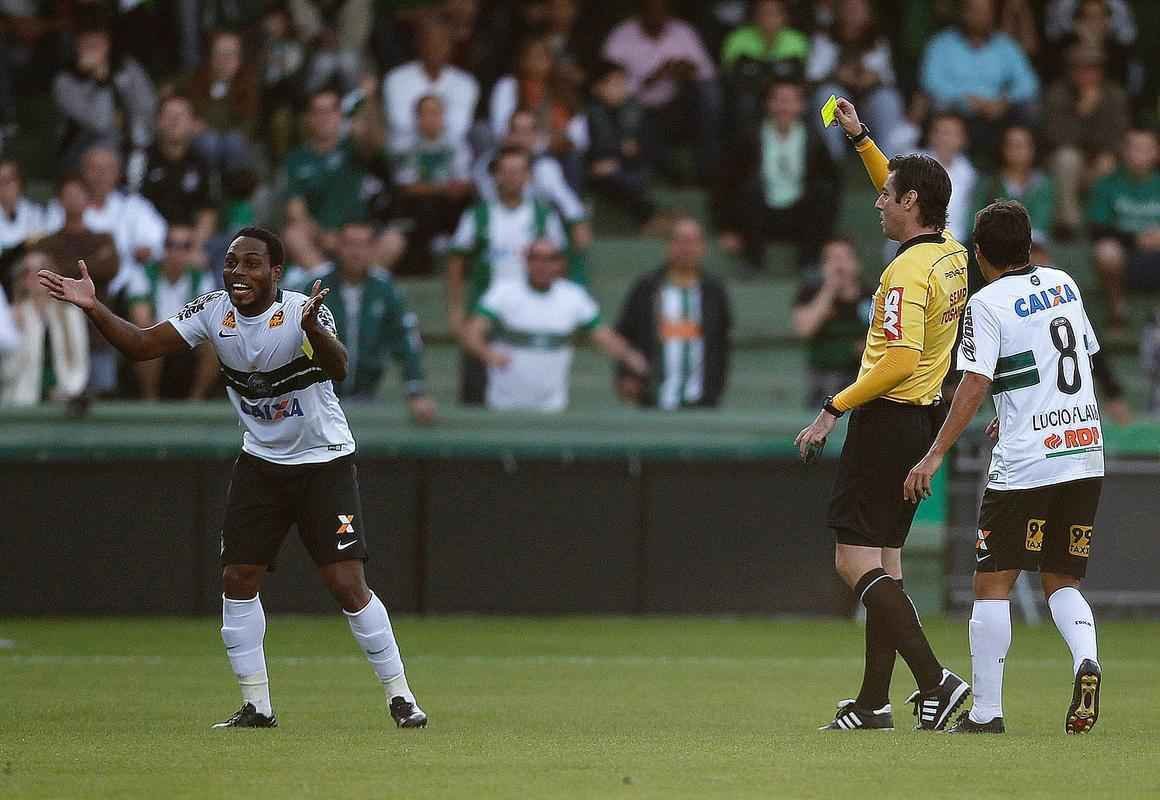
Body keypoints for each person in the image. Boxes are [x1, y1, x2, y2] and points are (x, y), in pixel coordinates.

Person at [37, 226, 428, 730]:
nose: (239, 273)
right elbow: (139, 345)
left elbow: (340, 366)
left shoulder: (304, 311)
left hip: (322, 462)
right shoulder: (211, 309)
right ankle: (257, 706)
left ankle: (400, 696)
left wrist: (312, 332)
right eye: (232, 263)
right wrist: (93, 306)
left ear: (275, 272)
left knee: (346, 583)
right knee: (238, 580)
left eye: (251, 264)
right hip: (261, 464)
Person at [796, 97, 970, 732]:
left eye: (887, 195)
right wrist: (862, 139)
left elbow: (893, 364)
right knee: (888, 567)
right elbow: (902, 188)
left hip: (887, 419)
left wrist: (832, 409)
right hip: (919, 420)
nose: (878, 201)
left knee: (853, 563)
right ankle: (873, 703)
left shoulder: (902, 276)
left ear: (912, 205)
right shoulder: (949, 251)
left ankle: (936, 680)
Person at [904, 200, 1104, 735]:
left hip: (1027, 463)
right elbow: (1077, 359)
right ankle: (1087, 659)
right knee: (1062, 578)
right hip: (1084, 450)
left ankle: (987, 712)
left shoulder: (987, 303)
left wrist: (936, 452)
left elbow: (974, 384)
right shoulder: (1065, 282)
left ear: (979, 254)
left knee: (992, 583)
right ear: (1028, 243)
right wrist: (1016, 412)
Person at [461, 238, 648, 412]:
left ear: (561, 264)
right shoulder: (503, 292)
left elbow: (603, 336)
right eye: (536, 258)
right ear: (526, 261)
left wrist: (630, 357)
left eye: (550, 259)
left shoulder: (574, 297)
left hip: (551, 406)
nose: (542, 265)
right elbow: (472, 333)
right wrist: (487, 354)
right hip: (504, 405)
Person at [447, 145, 568, 404]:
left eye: (518, 171)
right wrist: (457, 309)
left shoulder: (544, 215)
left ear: (528, 176)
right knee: (475, 390)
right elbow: (456, 259)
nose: (512, 177)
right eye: (506, 171)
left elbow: (559, 259)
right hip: (484, 312)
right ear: (496, 176)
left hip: (529, 313)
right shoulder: (478, 214)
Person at [316, 221, 436, 424]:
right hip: (317, 399)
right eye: (350, 244)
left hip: (368, 397)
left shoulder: (385, 289)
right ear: (338, 247)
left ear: (373, 249)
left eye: (363, 245)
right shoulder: (315, 286)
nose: (356, 252)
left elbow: (405, 340)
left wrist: (416, 392)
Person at [716, 79, 840, 273]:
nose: (784, 107)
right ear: (768, 104)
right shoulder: (750, 136)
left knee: (823, 192)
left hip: (799, 214)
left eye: (790, 101)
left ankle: (808, 262)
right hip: (761, 214)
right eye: (778, 100)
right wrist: (727, 229)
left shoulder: (814, 139)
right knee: (749, 191)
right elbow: (727, 182)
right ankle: (753, 261)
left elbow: (832, 181)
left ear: (801, 105)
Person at [615, 217, 732, 409]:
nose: (686, 248)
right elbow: (626, 333)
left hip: (702, 402)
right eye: (680, 241)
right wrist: (627, 375)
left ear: (703, 247)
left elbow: (721, 341)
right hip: (653, 400)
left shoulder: (714, 291)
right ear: (668, 246)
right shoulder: (647, 288)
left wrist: (715, 387)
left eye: (692, 241)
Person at [602, 0, 722, 183]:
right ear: (640, 11)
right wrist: (652, 78)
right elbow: (604, 80)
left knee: (708, 94)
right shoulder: (622, 34)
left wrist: (688, 71)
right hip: (636, 105)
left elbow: (708, 73)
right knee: (631, 114)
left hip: (675, 103)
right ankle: (640, 172)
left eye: (662, 10)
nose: (657, 16)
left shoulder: (683, 31)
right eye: (651, 10)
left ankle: (706, 170)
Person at [282, 87, 395, 273]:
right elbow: (295, 210)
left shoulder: (355, 148)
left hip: (359, 233)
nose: (324, 117)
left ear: (339, 115)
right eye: (318, 112)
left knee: (394, 240)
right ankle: (326, 280)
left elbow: (374, 139)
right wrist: (322, 235)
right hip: (319, 237)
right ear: (309, 118)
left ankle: (368, 281)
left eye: (329, 111)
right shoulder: (297, 158)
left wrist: (368, 100)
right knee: (293, 234)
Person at [919, 0, 1039, 162]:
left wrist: (1004, 101)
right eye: (974, 10)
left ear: (992, 15)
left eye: (984, 11)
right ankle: (945, 169)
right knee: (936, 104)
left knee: (1029, 108)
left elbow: (1028, 83)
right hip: (957, 109)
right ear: (963, 13)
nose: (979, 16)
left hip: (997, 112)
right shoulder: (943, 43)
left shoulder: (1005, 45)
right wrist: (964, 99)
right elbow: (931, 81)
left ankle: (1014, 173)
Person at [808, 0, 915, 161]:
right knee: (827, 96)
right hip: (839, 102)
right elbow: (812, 76)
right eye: (849, 8)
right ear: (839, 10)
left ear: (868, 12)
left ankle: (889, 166)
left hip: (867, 104)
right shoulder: (825, 36)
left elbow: (888, 79)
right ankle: (833, 162)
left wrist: (873, 78)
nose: (853, 13)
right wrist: (837, 75)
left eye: (859, 8)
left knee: (888, 100)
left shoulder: (878, 39)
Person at [1043, 44, 1129, 238]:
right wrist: (1082, 112)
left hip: (1099, 159)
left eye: (1092, 68)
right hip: (1066, 159)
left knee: (1107, 163)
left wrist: (1097, 154)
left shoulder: (1114, 94)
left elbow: (1117, 138)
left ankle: (1099, 224)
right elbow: (1056, 137)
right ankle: (1070, 226)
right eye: (1080, 68)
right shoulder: (1058, 93)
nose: (1086, 74)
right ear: (1071, 70)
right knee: (1068, 159)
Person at [389, 94, 474, 276]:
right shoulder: (406, 146)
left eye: (435, 113)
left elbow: (465, 183)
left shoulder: (457, 143)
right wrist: (443, 188)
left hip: (451, 204)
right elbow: (406, 187)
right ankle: (420, 273)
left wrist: (442, 189)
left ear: (443, 116)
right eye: (425, 113)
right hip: (418, 206)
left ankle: (463, 270)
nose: (431, 118)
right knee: (423, 208)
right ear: (417, 118)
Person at [52, 18, 156, 166]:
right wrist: (101, 81)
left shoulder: (126, 66)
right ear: (77, 46)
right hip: (83, 147)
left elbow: (148, 106)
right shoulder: (66, 81)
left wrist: (139, 135)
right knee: (107, 144)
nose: (94, 50)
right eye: (87, 44)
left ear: (107, 44)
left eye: (98, 43)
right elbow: (100, 124)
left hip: (129, 139)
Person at [138, 225, 221, 401]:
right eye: (171, 245)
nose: (177, 252)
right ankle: (149, 399)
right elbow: (141, 317)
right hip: (157, 334)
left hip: (189, 337)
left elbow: (207, 321)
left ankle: (196, 399)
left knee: (217, 341)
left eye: (185, 246)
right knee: (144, 333)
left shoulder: (201, 277)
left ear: (192, 251)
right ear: (164, 248)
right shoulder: (144, 274)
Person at [1088, 129, 1160, 330]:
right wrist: (1135, 239)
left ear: (1156, 152)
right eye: (1134, 148)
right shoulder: (1107, 184)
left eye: (1146, 149)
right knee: (1105, 251)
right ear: (1124, 151)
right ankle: (1118, 310)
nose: (1139, 154)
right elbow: (1097, 229)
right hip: (1126, 256)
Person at [792, 238, 875, 407]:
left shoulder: (871, 295)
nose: (839, 265)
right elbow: (804, 329)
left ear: (857, 263)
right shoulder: (810, 292)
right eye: (832, 259)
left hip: (861, 375)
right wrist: (829, 289)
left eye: (844, 258)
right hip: (824, 378)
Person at [0, 250, 88, 407]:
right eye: (28, 271)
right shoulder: (13, 315)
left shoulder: (71, 313)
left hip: (65, 398)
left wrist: (70, 390)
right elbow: (7, 372)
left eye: (41, 270)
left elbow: (80, 361)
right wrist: (14, 330)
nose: (34, 276)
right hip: (22, 399)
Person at [586, 60, 662, 230]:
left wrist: (619, 158)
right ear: (597, 87)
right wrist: (619, 152)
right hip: (596, 172)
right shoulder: (587, 113)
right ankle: (650, 218)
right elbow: (591, 150)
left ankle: (651, 218)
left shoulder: (635, 110)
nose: (621, 88)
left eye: (623, 83)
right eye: (615, 83)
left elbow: (643, 148)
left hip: (628, 169)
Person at [382, 16, 479, 151]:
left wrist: (424, 121)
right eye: (430, 42)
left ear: (451, 47)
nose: (436, 49)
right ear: (419, 45)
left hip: (451, 158)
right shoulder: (396, 79)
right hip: (406, 154)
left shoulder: (465, 83)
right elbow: (400, 123)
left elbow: (459, 127)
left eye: (442, 43)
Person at [133, 94, 218, 244]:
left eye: (181, 115)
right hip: (146, 240)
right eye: (169, 115)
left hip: (189, 241)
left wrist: (194, 246)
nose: (175, 121)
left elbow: (208, 211)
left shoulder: (202, 162)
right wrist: (163, 236)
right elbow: (131, 205)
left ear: (193, 123)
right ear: (157, 122)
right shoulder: (141, 159)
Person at [184, 29, 260, 175]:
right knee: (208, 142)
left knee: (231, 143)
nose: (223, 60)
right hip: (201, 142)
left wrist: (209, 126)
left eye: (229, 55)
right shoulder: (196, 80)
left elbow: (248, 126)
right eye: (219, 54)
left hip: (236, 145)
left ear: (239, 59)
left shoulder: (249, 85)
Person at [972, 126, 1054, 245]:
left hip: (1035, 249)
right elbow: (974, 222)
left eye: (1021, 146)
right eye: (1011, 145)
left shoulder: (1043, 184)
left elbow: (1043, 222)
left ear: (1032, 149)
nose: (1016, 151)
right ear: (1003, 149)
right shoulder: (988, 184)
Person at [921, 113, 976, 244]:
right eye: (941, 132)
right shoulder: (915, 164)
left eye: (952, 133)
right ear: (931, 136)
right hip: (919, 241)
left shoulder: (968, 173)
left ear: (963, 139)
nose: (945, 138)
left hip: (956, 243)